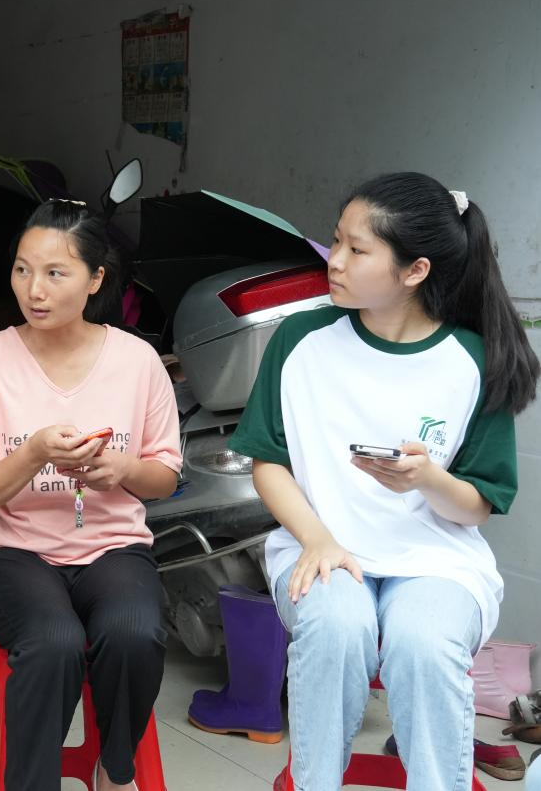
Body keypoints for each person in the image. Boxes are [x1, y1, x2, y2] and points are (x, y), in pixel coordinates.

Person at [230, 173, 540, 791]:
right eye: (336, 241)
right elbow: (268, 462)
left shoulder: (474, 360)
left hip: (437, 561)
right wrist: (318, 539)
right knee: (336, 627)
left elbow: (477, 505)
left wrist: (426, 479)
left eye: (357, 249)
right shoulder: (300, 340)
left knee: (424, 643)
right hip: (320, 546)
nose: (334, 261)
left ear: (415, 270)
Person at [0, 200, 183, 791]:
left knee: (134, 632)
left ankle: (115, 770)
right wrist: (34, 454)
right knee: (54, 643)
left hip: (113, 547)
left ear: (95, 279)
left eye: (56, 273)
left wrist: (122, 467)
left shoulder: (138, 361)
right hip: (13, 554)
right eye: (23, 270)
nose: (35, 290)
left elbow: (165, 477)